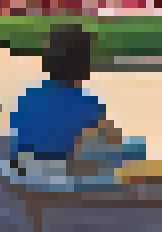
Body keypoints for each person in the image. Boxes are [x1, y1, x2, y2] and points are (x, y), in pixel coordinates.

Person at [11, 22, 145, 175]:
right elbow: (107, 145)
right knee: (135, 147)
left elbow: (20, 140)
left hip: (28, 169)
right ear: (85, 65)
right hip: (68, 171)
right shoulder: (89, 104)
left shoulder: (27, 97)